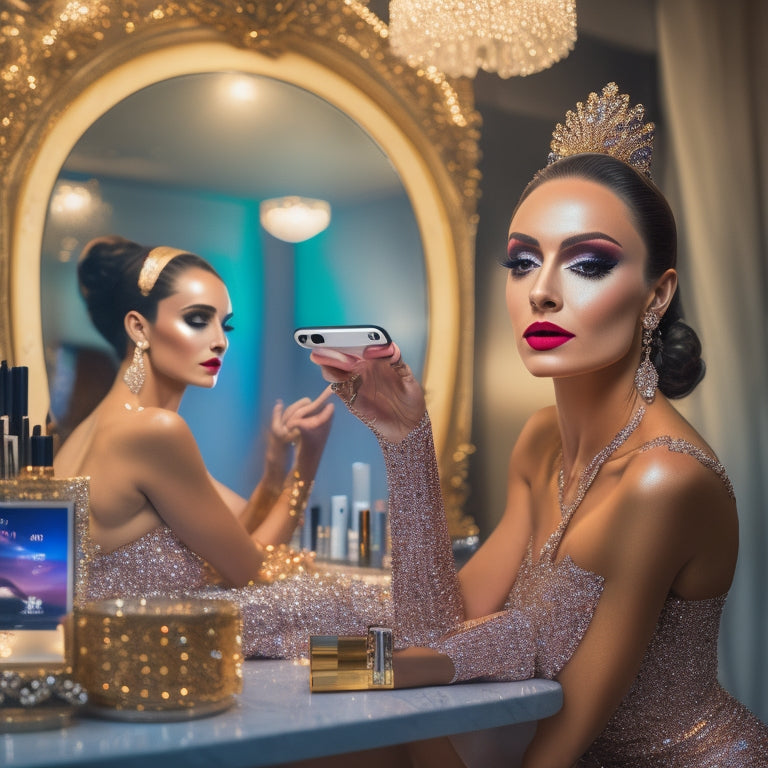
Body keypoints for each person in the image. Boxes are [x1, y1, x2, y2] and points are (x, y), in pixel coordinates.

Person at [307, 84, 768, 766]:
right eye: (523, 260)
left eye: (588, 264)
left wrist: (382, 671)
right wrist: (405, 441)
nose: (542, 289)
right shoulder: (539, 440)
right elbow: (441, 627)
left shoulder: (664, 480)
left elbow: (567, 732)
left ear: (658, 294)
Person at [54, 235, 394, 658]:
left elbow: (243, 537)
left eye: (225, 324)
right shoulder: (154, 431)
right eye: (198, 320)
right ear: (139, 327)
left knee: (342, 596)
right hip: (141, 653)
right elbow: (253, 570)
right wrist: (308, 462)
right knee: (351, 607)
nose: (220, 341)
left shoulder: (99, 425)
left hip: (112, 642)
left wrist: (276, 467)